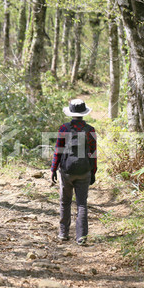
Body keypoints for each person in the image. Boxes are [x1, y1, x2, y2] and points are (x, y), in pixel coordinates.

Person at [51, 99, 97, 246]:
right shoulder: (90, 130)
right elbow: (93, 154)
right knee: (82, 204)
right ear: (84, 113)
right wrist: (93, 172)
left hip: (66, 171)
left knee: (65, 202)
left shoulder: (64, 129)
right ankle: (81, 237)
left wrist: (53, 169)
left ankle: (63, 233)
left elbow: (58, 151)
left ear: (71, 113)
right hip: (84, 170)